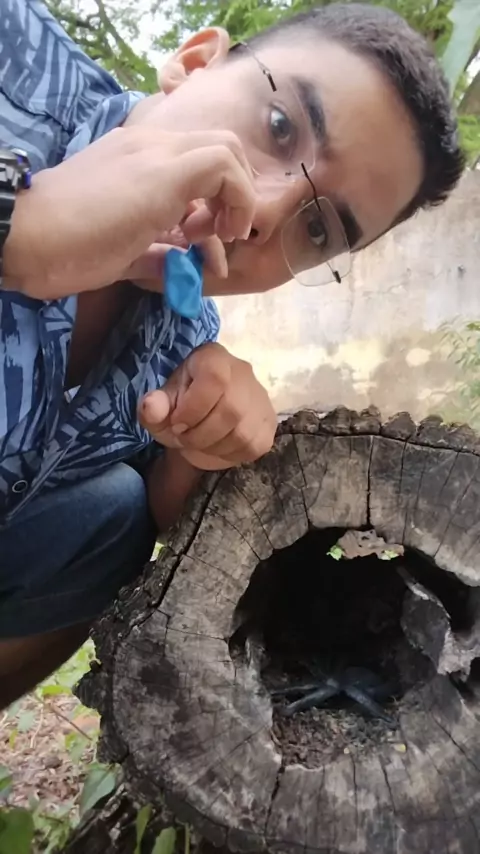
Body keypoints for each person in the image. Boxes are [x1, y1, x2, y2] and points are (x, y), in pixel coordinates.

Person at [0, 0, 464, 708]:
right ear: (193, 64)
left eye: (318, 228)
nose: (265, 212)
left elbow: (139, 526)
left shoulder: (181, 333)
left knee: (116, 516)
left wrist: (197, 452)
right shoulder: (18, 60)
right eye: (279, 126)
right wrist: (19, 224)